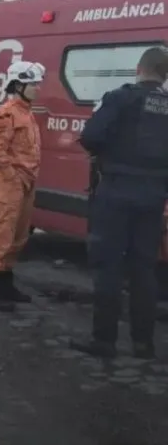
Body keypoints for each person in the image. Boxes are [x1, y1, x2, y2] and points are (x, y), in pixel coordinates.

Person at [69, 46, 168, 360]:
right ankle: (143, 343)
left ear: (139, 70)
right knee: (144, 269)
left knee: (108, 267)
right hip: (153, 197)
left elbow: (90, 137)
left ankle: (105, 341)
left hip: (116, 193)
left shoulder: (121, 98)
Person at [0, 60, 46, 312]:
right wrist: (13, 177)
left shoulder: (26, 112)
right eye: (33, 84)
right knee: (3, 235)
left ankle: (5, 284)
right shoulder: (7, 113)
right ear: (18, 85)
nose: (37, 88)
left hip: (25, 181)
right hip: (9, 182)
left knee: (18, 237)